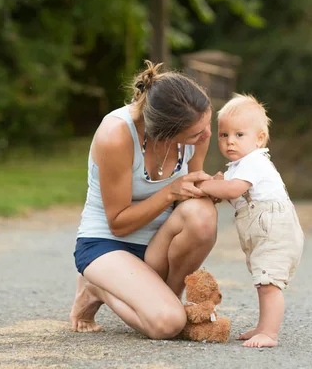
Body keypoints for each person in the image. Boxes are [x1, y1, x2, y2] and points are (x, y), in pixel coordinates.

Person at [69, 60, 219, 340]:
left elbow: (189, 202)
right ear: (165, 134)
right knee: (167, 325)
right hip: (108, 243)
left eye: (208, 124)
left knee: (203, 213)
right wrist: (171, 192)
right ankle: (95, 287)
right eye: (197, 133)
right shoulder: (116, 135)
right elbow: (117, 224)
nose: (207, 136)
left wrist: (209, 191)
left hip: (157, 245)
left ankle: (168, 296)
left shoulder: (197, 132)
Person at [196, 94, 305, 348]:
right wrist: (216, 186)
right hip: (264, 230)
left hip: (274, 229)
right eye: (224, 135)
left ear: (259, 139)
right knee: (262, 281)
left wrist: (205, 185)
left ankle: (270, 333)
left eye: (239, 135)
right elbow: (231, 190)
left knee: (269, 284)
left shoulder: (254, 161)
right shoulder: (240, 165)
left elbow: (233, 190)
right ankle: (263, 326)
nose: (230, 141)